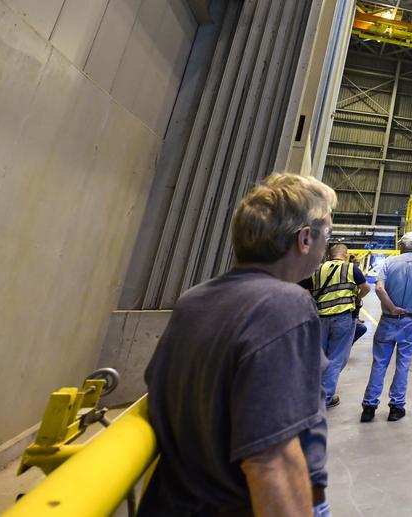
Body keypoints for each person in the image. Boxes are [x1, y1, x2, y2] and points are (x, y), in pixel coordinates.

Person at [141, 173, 336, 516]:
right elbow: (270, 460)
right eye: (328, 235)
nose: (325, 248)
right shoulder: (283, 305)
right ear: (305, 238)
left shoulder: (193, 301)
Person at [361, 232, 412, 422]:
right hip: (411, 321)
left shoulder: (390, 262)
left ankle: (369, 408)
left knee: (379, 363)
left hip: (388, 320)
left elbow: (379, 288)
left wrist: (392, 307)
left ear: (402, 246)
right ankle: (396, 408)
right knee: (403, 365)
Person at [301, 243, 370, 407]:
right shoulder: (352, 269)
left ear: (330, 255)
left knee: (320, 357)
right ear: (345, 255)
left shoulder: (317, 269)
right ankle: (324, 399)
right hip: (343, 318)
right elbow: (366, 288)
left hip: (320, 318)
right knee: (335, 359)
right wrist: (357, 298)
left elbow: (304, 289)